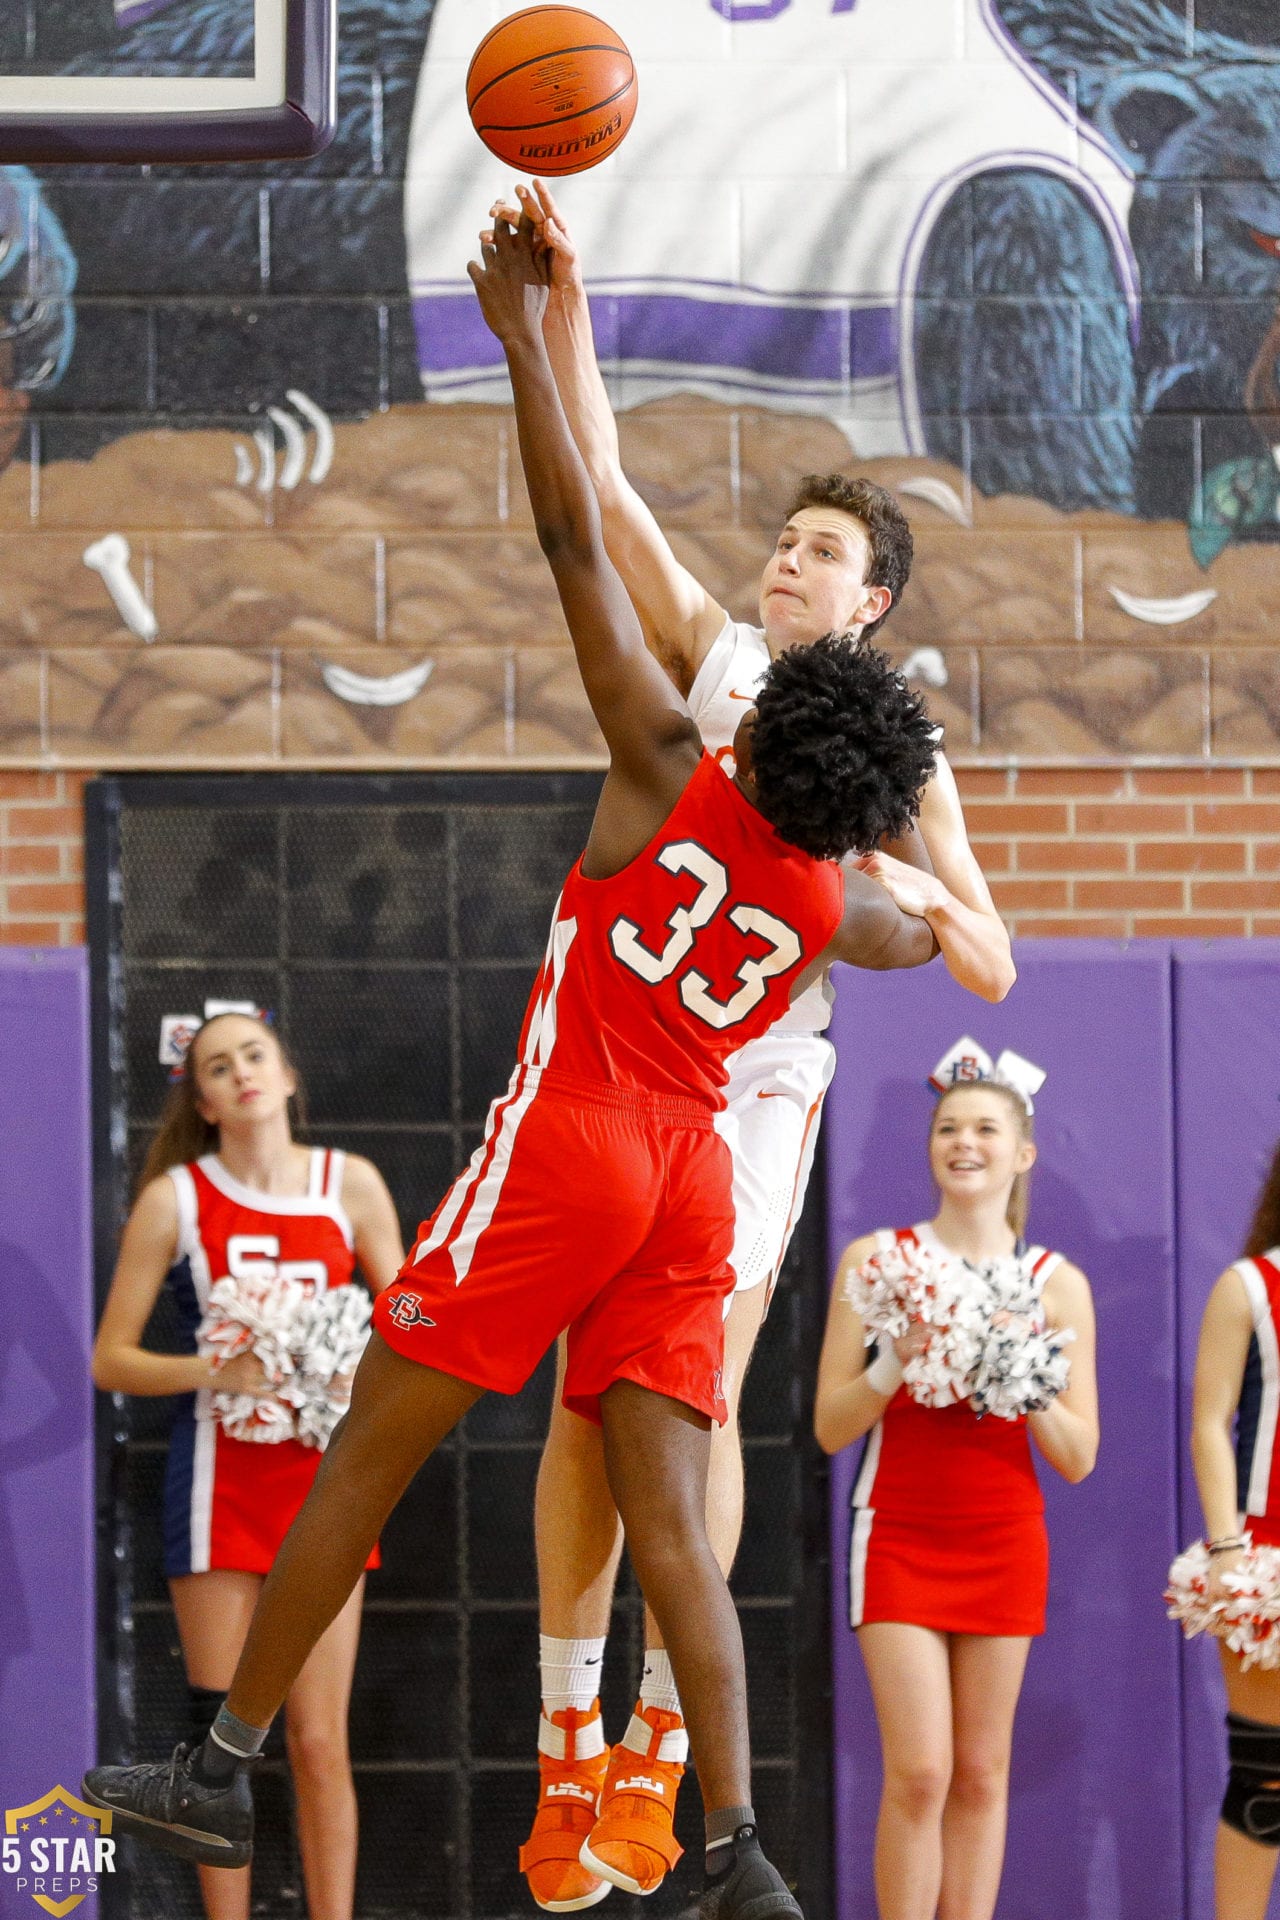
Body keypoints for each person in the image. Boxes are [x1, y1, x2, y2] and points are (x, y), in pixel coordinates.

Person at [84, 207, 943, 1920]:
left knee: (371, 1451)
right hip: (698, 1172)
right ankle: (735, 1850)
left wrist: (520, 342)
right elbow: (914, 934)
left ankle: (215, 1772)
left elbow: (568, 531)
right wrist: (928, 899)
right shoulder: (833, 895)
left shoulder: (660, 763)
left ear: (765, 730)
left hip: (583, 1130)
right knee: (673, 1515)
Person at [480, 178, 1016, 1911]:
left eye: (825, 552)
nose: (789, 559)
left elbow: (991, 959)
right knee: (578, 1411)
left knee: (681, 1406)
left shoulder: (899, 758)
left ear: (870, 607)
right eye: (786, 539)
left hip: (754, 1087)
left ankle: (650, 1752)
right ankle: (572, 1757)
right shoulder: (714, 663)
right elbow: (605, 486)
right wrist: (561, 302)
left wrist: (886, 884)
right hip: (616, 1060)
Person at [90, 1011, 404, 1920]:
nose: (241, 1075)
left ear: (288, 1072)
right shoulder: (175, 1199)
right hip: (217, 1487)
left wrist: (362, 1357)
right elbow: (112, 1357)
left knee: (317, 1741)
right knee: (217, 1748)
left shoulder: (352, 1185)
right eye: (218, 1067)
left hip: (328, 1487)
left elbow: (411, 1317)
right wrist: (215, 1370)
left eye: (253, 1056)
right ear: (204, 1098)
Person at [813, 1061, 1098, 1920]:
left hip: (1005, 1535)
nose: (963, 1143)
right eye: (947, 1129)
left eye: (984, 1130)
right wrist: (899, 1356)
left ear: (1023, 1154)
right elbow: (831, 1425)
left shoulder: (1057, 1282)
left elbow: (1079, 1454)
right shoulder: (878, 1261)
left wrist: (1026, 1369)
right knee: (922, 1769)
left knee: (981, 1771)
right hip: (896, 1531)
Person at [1188, 1139, 1280, 1919]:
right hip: (1265, 1558)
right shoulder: (1249, 1285)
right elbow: (1212, 1421)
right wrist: (1227, 1549)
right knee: (1265, 1776)